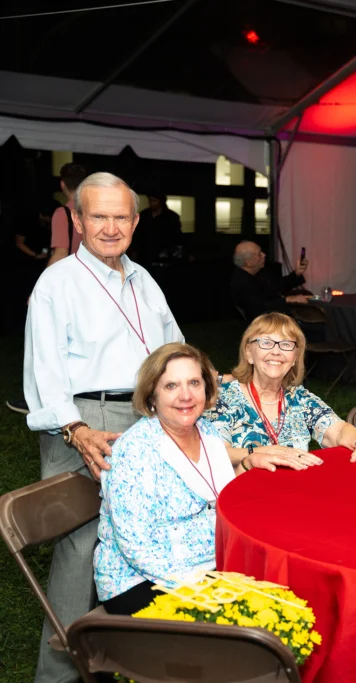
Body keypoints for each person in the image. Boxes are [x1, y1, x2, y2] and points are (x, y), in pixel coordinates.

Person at [24, 172, 184, 683]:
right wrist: (75, 429)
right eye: (99, 216)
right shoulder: (57, 282)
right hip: (85, 420)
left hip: (146, 415)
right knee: (82, 543)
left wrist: (195, 384)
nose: (111, 227)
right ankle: (58, 675)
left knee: (151, 535)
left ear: (136, 221)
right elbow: (44, 370)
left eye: (121, 217)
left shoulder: (142, 278)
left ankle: (135, 661)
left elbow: (171, 345)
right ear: (76, 219)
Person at [94, 343, 315, 615]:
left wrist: (247, 463)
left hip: (207, 565)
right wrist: (204, 588)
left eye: (194, 383)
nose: (185, 395)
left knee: (294, 589)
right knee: (265, 615)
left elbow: (216, 496)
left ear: (207, 389)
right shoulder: (134, 451)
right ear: (152, 395)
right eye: (171, 386)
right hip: (142, 581)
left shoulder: (206, 431)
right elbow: (136, 548)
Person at [206, 313, 356, 467]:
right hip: (241, 495)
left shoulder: (299, 398)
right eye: (266, 343)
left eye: (286, 344)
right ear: (248, 353)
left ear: (294, 358)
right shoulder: (224, 398)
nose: (276, 352)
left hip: (294, 492)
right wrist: (262, 452)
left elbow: (338, 430)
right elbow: (215, 453)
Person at [230, 240, 309, 321]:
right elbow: (259, 310)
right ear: (248, 262)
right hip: (271, 326)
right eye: (259, 254)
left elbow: (276, 287)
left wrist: (297, 273)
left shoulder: (253, 273)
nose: (264, 255)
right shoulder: (242, 282)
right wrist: (288, 300)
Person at [46, 163, 89, 267]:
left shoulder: (63, 213)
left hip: (73, 274)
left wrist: (44, 280)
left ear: (62, 184)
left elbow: (60, 254)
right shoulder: (96, 209)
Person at [134, 193, 183, 266]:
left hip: (164, 254)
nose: (151, 203)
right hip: (145, 254)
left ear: (161, 202)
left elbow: (177, 236)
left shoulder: (171, 217)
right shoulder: (144, 215)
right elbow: (137, 234)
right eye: (150, 200)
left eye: (154, 201)